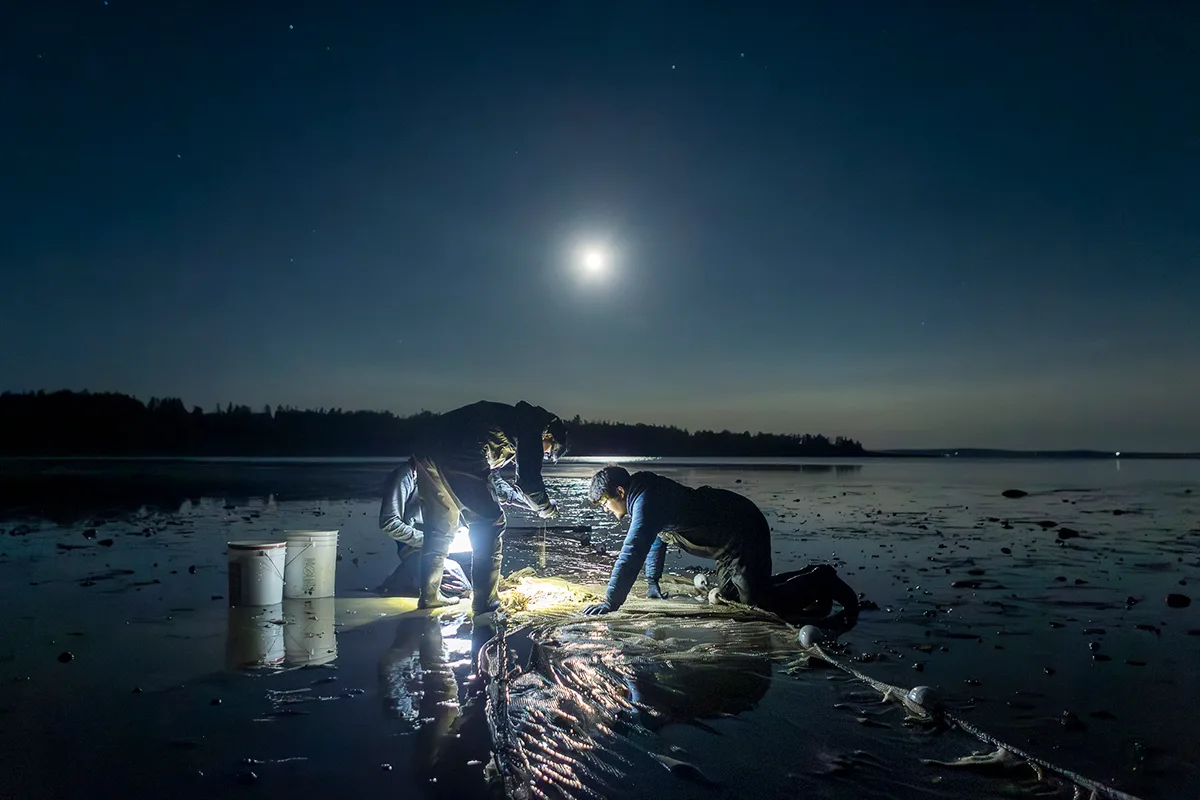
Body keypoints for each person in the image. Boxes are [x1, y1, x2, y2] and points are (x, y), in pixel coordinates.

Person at [583, 465, 858, 624]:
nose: (607, 509)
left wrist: (611, 601)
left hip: (742, 528)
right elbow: (656, 539)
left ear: (620, 491)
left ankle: (823, 581)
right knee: (732, 598)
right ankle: (810, 577)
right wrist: (653, 583)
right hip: (726, 545)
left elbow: (633, 551)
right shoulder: (643, 498)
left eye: (606, 502)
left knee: (758, 602)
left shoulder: (646, 499)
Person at [412, 400, 568, 614]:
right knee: (489, 522)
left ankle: (429, 597)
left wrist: (530, 504)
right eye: (548, 452)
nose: (545, 455)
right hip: (457, 448)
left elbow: (494, 482)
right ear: (548, 436)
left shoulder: (512, 421)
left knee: (439, 527)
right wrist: (544, 507)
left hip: (427, 447)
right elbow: (529, 482)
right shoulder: (533, 427)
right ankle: (486, 600)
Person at [375, 457, 471, 598]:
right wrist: (430, 542)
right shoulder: (405, 476)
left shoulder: (445, 470)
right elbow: (389, 522)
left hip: (450, 547)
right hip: (420, 549)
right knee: (459, 586)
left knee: (479, 580)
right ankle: (399, 582)